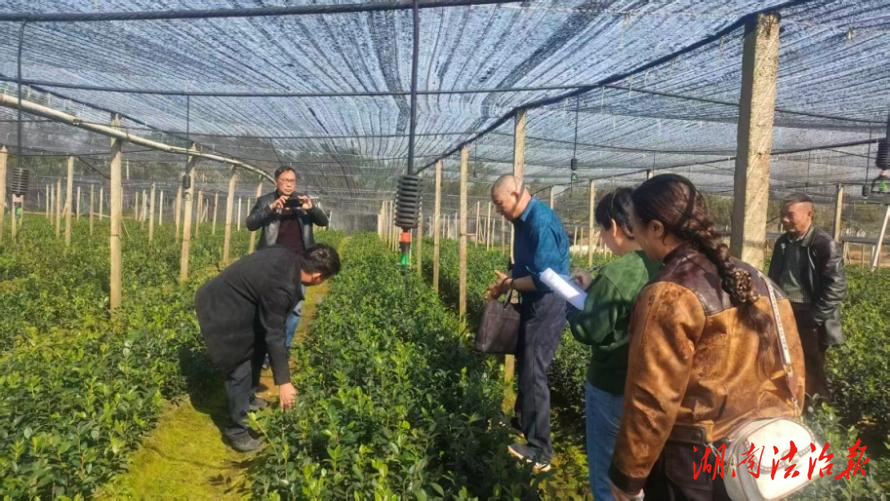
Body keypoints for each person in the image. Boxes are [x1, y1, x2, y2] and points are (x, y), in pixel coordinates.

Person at [608, 174, 805, 501]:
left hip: (693, 467)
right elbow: (793, 371)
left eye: (635, 226)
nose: (635, 236)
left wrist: (628, 476)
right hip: (759, 460)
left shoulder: (670, 293)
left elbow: (652, 400)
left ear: (656, 228)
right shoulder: (759, 281)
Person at [195, 244, 340, 452]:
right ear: (318, 277)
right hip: (220, 306)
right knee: (240, 364)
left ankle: (249, 398)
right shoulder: (281, 287)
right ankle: (237, 431)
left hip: (238, 301)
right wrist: (284, 382)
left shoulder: (289, 256)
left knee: (258, 345)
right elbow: (275, 334)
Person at [566, 188, 660, 500]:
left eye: (603, 231)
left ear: (616, 227)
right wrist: (597, 289)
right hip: (656, 390)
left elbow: (590, 329)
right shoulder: (664, 262)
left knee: (610, 476)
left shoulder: (619, 272)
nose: (603, 239)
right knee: (642, 476)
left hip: (613, 386)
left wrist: (575, 303)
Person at [486, 174, 569, 473]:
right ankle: (523, 422)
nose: (499, 211)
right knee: (526, 361)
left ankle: (540, 450)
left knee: (534, 370)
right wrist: (508, 282)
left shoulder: (539, 222)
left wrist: (510, 284)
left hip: (549, 303)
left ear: (515, 193)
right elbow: (529, 269)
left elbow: (546, 280)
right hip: (535, 301)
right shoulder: (522, 221)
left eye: (500, 204)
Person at [768, 193, 847, 406]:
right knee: (784, 362)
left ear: (808, 214)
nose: (784, 219)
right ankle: (791, 405)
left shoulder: (824, 244)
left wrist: (813, 318)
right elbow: (774, 278)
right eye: (783, 214)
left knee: (812, 368)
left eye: (790, 215)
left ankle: (818, 410)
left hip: (810, 315)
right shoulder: (783, 242)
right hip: (785, 310)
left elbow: (836, 287)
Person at [246, 166, 329, 351]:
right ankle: (266, 351)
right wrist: (270, 208)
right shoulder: (266, 200)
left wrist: (312, 209)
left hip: (301, 262)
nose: (289, 185)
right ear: (277, 181)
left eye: (292, 181)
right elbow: (251, 224)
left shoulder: (303, 200)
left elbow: (323, 221)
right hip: (272, 263)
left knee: (295, 308)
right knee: (270, 308)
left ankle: (284, 348)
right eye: (285, 180)